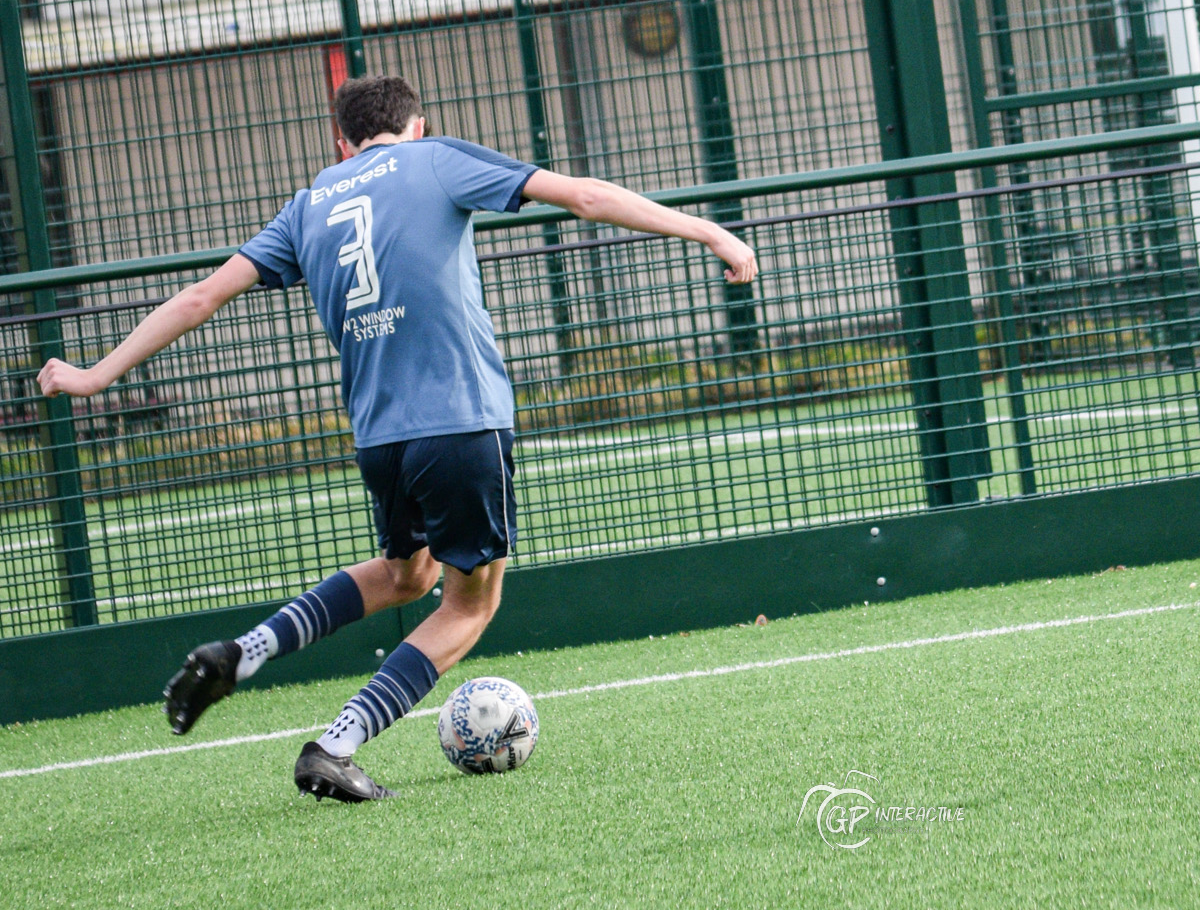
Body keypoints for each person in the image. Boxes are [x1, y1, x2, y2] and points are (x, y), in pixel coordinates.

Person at [36, 73, 757, 801]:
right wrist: (709, 228)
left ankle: (245, 651)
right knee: (470, 604)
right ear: (416, 127)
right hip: (462, 419)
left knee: (409, 573)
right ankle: (337, 744)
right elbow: (586, 197)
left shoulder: (309, 202)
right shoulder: (435, 157)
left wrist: (97, 375)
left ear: (340, 141)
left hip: (380, 437)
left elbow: (199, 298)